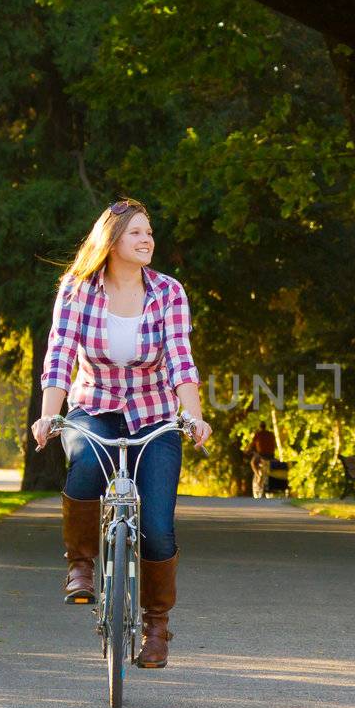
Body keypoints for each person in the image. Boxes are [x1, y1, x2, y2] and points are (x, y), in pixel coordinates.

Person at [30, 198, 212, 669]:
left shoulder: (168, 292)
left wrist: (193, 416)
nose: (147, 239)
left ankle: (155, 626)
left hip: (154, 412)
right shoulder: (77, 289)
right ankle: (82, 563)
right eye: (135, 233)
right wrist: (50, 415)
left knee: (157, 525)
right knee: (87, 462)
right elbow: (59, 355)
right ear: (111, 241)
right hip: (95, 405)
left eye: (149, 232)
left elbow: (180, 359)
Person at [245, 422, 282, 498]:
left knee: (252, 463)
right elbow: (274, 445)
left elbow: (252, 445)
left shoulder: (258, 434)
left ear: (260, 427)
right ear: (265, 426)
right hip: (271, 456)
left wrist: (248, 450)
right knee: (277, 464)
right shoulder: (271, 434)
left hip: (261, 456)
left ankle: (258, 476)